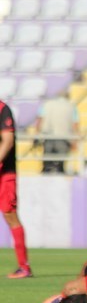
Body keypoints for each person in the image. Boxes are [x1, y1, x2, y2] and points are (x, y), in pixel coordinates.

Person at [0, 100, 32, 279]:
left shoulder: (2, 109)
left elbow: (7, 141)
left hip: (4, 173)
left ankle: (24, 267)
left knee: (9, 214)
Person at [35, 92, 79, 174]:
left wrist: (37, 135)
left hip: (48, 137)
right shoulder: (71, 106)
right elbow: (75, 124)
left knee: (47, 163)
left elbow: (39, 119)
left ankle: (46, 177)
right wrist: (75, 140)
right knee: (60, 164)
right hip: (63, 138)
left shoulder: (46, 104)